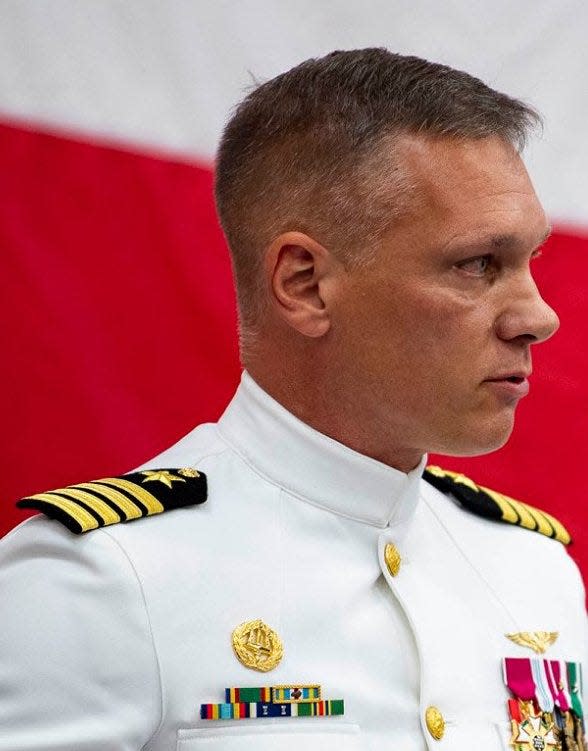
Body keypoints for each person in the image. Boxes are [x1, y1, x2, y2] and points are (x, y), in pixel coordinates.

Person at [0, 48, 586, 751]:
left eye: (530, 260)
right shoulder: (98, 582)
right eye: (476, 264)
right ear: (305, 284)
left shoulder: (532, 570)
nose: (539, 315)